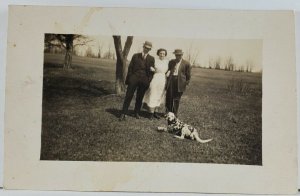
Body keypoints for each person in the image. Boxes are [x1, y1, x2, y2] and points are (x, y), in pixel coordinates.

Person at [119, 41, 155, 121]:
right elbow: (130, 68)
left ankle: (136, 112)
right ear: (143, 47)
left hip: (144, 80)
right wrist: (130, 79)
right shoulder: (135, 56)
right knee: (129, 95)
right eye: (146, 48)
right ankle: (123, 113)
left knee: (140, 97)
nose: (147, 49)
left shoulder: (151, 59)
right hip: (134, 78)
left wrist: (148, 80)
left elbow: (152, 71)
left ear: (150, 49)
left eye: (149, 49)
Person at [143, 48, 169, 120]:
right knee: (153, 93)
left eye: (163, 54)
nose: (162, 55)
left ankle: (156, 113)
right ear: (158, 54)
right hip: (155, 78)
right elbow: (148, 66)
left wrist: (169, 72)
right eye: (160, 53)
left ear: (165, 55)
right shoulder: (155, 60)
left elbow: (170, 69)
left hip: (163, 79)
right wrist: (152, 69)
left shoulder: (167, 62)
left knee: (159, 95)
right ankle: (150, 113)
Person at [165, 49, 191, 116]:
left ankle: (175, 113)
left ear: (182, 55)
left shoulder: (186, 63)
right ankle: (168, 112)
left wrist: (185, 83)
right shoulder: (171, 62)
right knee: (169, 96)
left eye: (179, 55)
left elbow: (188, 75)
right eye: (176, 55)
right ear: (175, 55)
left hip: (180, 82)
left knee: (177, 98)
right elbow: (168, 70)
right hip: (171, 80)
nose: (178, 56)